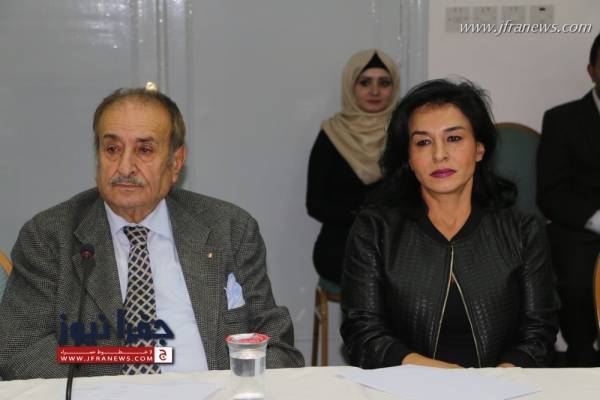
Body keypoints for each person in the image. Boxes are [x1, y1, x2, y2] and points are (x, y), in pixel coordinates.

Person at [0, 86, 304, 380]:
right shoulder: (49, 236)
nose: (125, 167)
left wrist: (238, 388)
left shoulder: (230, 228)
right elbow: (20, 347)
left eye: (144, 150)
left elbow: (274, 341)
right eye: (112, 149)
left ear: (175, 162)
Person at [341, 79, 559, 369]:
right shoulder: (375, 230)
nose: (439, 155)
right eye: (423, 142)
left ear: (479, 149)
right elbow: (363, 334)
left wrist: (498, 380)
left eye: (454, 138)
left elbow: (539, 333)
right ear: (409, 158)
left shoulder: (523, 231)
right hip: (406, 384)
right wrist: (441, 376)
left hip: (502, 385)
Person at [306, 49, 400, 284]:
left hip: (396, 244)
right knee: (374, 279)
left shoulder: (405, 133)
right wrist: (363, 215)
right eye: (365, 82)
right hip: (342, 245)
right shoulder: (332, 134)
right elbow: (315, 204)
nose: (375, 91)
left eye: (384, 83)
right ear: (351, 86)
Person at [537, 32, 600, 367]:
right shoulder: (561, 120)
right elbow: (551, 192)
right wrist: (596, 219)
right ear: (591, 70)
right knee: (576, 282)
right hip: (580, 229)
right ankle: (582, 356)